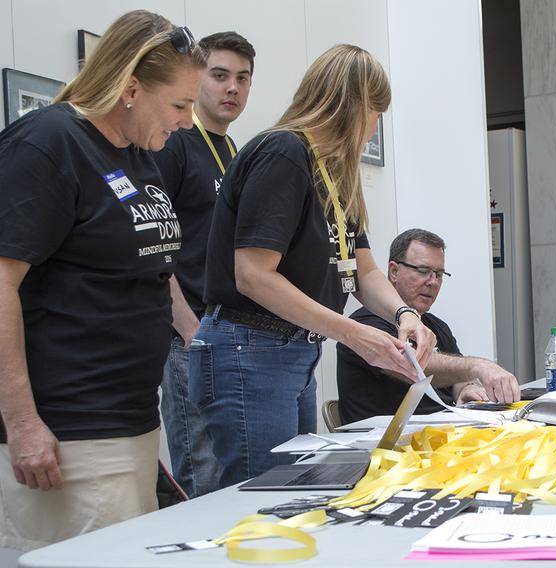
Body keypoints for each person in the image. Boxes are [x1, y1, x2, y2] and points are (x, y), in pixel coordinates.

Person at [0, 10, 204, 550]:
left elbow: (152, 269)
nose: (188, 121)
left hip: (131, 420)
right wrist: (21, 423)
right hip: (69, 432)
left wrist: (192, 333)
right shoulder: (47, 143)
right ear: (131, 88)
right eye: (180, 105)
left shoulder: (137, 154)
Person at [194, 44, 437, 490]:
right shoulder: (284, 153)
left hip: (291, 351)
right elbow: (252, 275)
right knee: (261, 498)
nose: (373, 128)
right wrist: (352, 332)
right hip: (250, 347)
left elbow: (363, 272)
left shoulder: (331, 171)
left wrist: (405, 315)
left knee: (289, 491)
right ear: (350, 106)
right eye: (373, 112)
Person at [155, 31, 255, 499]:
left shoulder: (234, 152)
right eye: (219, 76)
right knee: (202, 481)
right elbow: (157, 249)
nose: (231, 88)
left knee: (232, 481)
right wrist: (190, 331)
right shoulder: (175, 144)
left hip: (224, 339)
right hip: (188, 341)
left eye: (242, 78)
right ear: (198, 80)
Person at [337, 229, 521, 424]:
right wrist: (478, 366)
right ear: (394, 272)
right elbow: (410, 366)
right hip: (384, 444)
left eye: (439, 274)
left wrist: (465, 388)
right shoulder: (365, 324)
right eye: (423, 271)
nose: (433, 282)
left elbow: (455, 374)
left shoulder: (436, 326)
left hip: (441, 433)